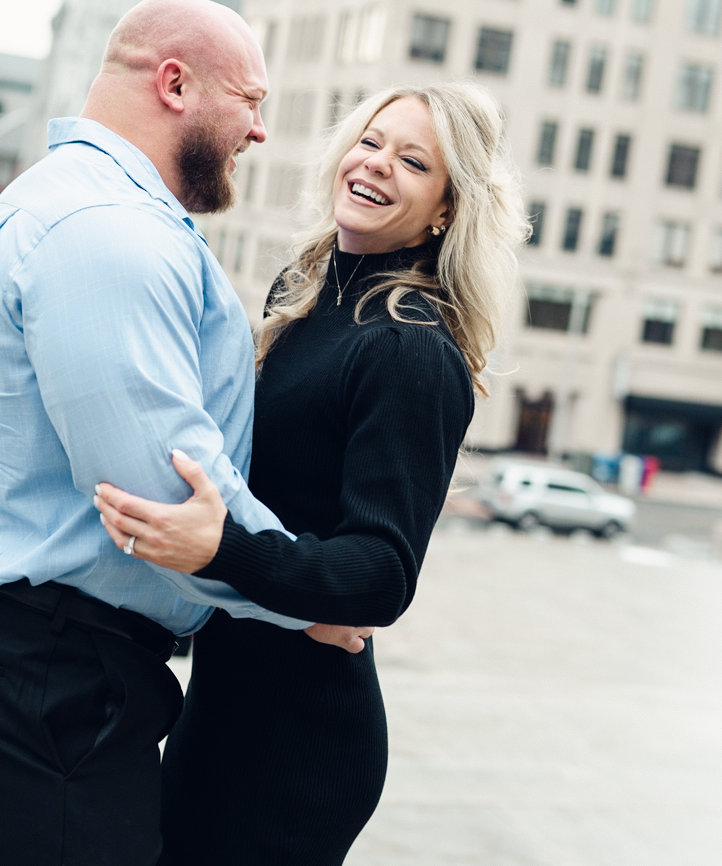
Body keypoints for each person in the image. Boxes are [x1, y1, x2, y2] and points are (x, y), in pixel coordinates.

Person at [0, 0, 367, 866]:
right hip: (49, 684)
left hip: (42, 675)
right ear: (175, 84)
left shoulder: (81, 206)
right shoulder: (106, 234)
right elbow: (162, 493)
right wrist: (308, 599)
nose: (260, 132)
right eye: (250, 101)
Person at [96, 82, 529, 865]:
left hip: (298, 748)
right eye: (371, 141)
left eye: (412, 161)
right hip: (226, 710)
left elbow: (380, 573)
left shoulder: (408, 347)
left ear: (444, 210)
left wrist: (222, 550)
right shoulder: (304, 296)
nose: (377, 165)